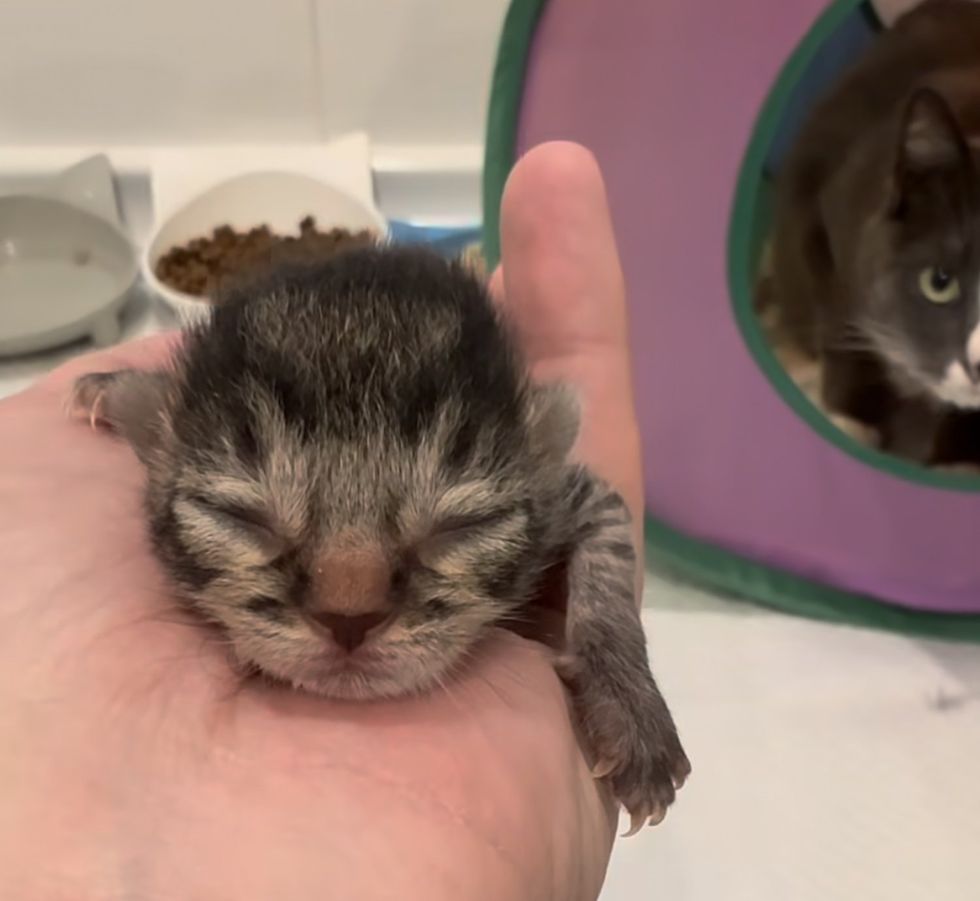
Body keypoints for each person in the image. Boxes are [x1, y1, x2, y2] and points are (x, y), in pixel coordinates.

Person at [0, 141, 645, 899]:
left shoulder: (539, 475)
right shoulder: (166, 429)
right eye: (242, 516)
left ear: (542, 452)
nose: (350, 601)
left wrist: (611, 651)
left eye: (462, 525)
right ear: (156, 450)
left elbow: (592, 504)